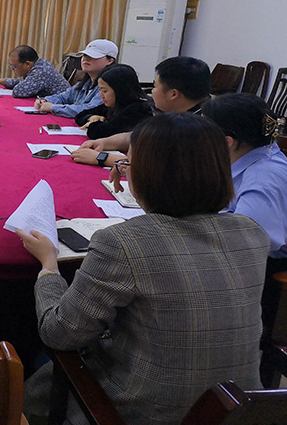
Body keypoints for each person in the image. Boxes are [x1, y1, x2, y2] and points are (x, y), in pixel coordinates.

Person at [17, 112, 269, 425]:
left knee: (34, 364)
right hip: (241, 411)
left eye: (128, 163)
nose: (123, 171)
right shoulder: (251, 231)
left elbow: (59, 334)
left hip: (143, 413)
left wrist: (49, 267)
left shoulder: (123, 243)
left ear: (148, 174)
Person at [203, 93, 287, 333]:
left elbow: (251, 240)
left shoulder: (263, 177)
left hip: (264, 272)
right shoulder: (250, 156)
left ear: (227, 141)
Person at [71, 56, 211, 168]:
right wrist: (103, 142)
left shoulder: (197, 126)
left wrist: (103, 158)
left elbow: (157, 165)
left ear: (173, 94)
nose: (152, 92)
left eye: (155, 87)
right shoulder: (179, 113)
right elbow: (139, 135)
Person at [34, 39, 117, 117]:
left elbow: (90, 109)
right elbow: (63, 97)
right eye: (85, 55)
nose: (86, 59)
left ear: (110, 61)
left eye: (93, 56)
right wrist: (45, 101)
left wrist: (53, 107)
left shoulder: (109, 86)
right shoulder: (84, 83)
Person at [74, 64, 152, 139]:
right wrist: (91, 117)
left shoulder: (138, 109)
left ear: (120, 90)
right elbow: (80, 115)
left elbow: (100, 133)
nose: (101, 96)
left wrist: (93, 124)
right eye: (100, 90)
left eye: (105, 91)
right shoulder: (115, 104)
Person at [0, 45, 69, 98]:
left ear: (27, 64)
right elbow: (24, 82)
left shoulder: (41, 71)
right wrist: (2, 81)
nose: (12, 69)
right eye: (10, 66)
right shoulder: (37, 65)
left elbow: (19, 91)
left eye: (14, 67)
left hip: (61, 105)